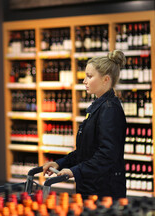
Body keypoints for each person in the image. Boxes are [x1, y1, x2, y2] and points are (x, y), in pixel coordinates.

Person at [42, 50, 127, 199]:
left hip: (104, 191)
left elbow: (106, 155)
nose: (84, 81)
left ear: (106, 79)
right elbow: (86, 151)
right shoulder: (98, 106)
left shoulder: (109, 110)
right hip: (91, 186)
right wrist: (60, 163)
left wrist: (75, 171)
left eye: (89, 76)